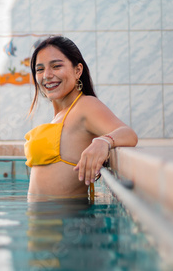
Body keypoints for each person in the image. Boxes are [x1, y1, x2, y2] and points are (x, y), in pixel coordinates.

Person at [24, 36, 138, 199]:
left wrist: (104, 141)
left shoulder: (85, 105)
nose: (47, 75)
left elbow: (129, 134)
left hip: (66, 221)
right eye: (39, 69)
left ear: (78, 70)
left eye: (56, 66)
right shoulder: (62, 114)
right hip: (43, 220)